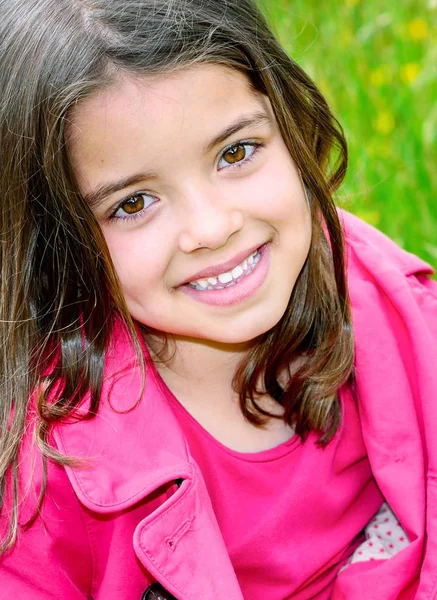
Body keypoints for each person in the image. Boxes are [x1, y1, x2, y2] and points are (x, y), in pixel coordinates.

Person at [0, 0, 436, 598]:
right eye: (133, 203)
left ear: (290, 123)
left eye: (235, 153)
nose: (211, 228)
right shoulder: (42, 479)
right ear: (57, 242)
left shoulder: (399, 313)